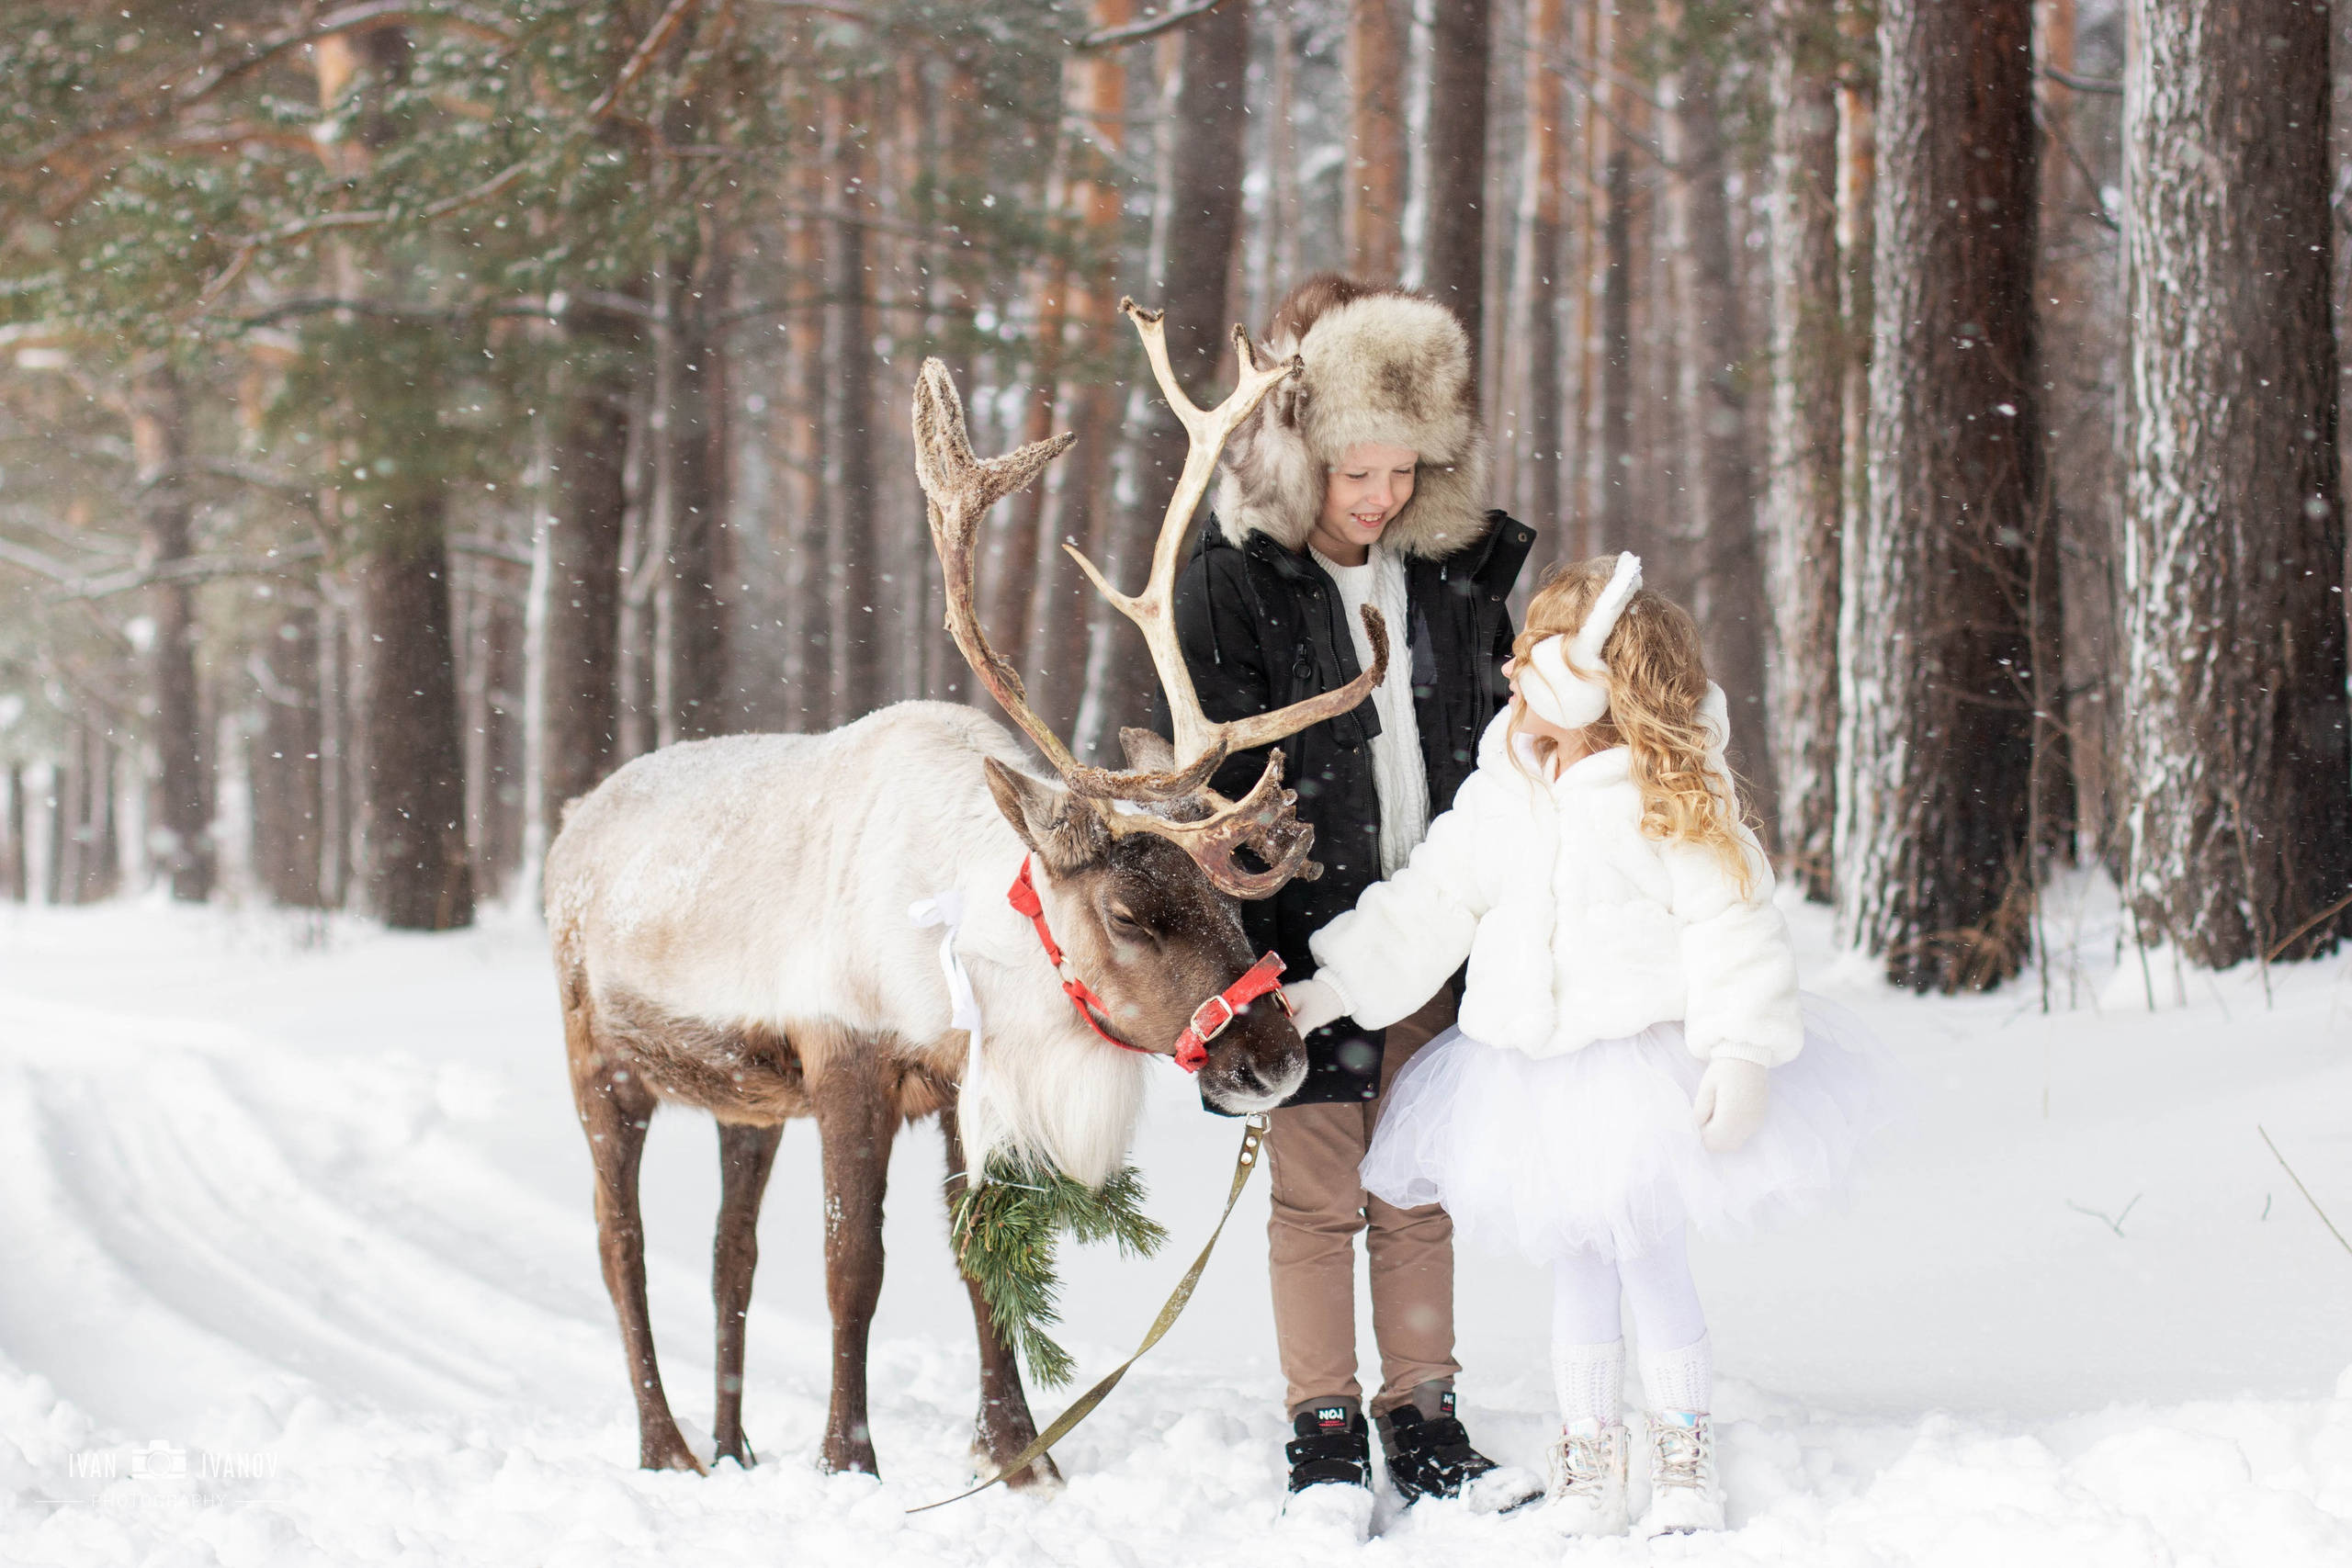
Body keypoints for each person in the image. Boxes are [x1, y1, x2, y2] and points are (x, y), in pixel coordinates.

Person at [1283, 553, 1891, 1539]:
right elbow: (1436, 899)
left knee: (1647, 1257)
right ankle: (1589, 1455)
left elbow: (1731, 922)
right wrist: (1336, 988)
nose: (1518, 682)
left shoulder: (1669, 788)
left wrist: (1740, 1050)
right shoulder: (1505, 779)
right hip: (1533, 1073)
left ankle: (1682, 1451)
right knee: (1575, 1267)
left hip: (1639, 1065)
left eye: (1541, 663)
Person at [1169, 274, 1537, 1527]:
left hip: (1438, 921)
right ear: (1299, 457)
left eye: (1399, 472)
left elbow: (1496, 737)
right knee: (1320, 1189)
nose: (1378, 498)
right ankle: (1323, 1422)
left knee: (1416, 1180)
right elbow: (1223, 778)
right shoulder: (1235, 583)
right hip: (1308, 937)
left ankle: (1423, 1411)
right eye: (1353, 474)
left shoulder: (1448, 574)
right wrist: (1252, 965)